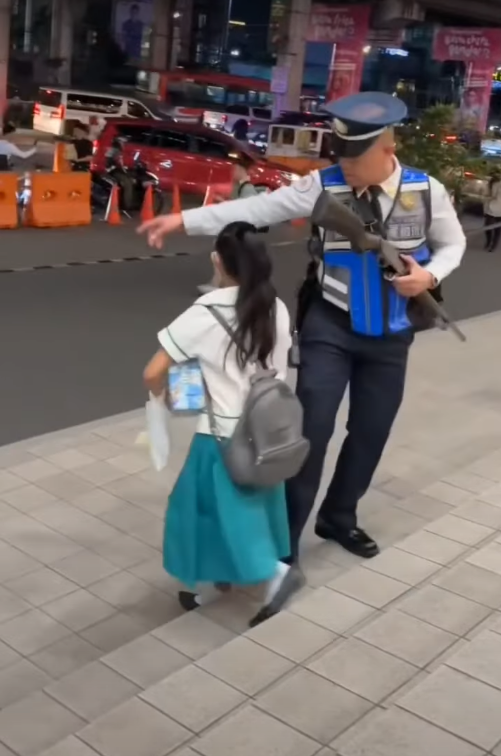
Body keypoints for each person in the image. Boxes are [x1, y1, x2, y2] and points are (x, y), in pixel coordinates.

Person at [139, 91, 466, 574]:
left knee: (371, 431)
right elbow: (253, 211)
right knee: (309, 429)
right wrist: (183, 220)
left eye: (355, 158)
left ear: (387, 151)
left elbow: (453, 243)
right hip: (329, 326)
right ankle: (283, 536)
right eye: (341, 156)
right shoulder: (320, 186)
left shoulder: (426, 191)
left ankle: (339, 517)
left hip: (392, 336)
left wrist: (429, 277)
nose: (346, 167)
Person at [143, 221, 296, 613]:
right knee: (251, 506)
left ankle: (272, 573)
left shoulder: (206, 311)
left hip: (221, 437)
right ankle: (217, 580)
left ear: (218, 261)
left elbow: (153, 371)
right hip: (269, 430)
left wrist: (164, 399)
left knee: (200, 513)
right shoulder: (275, 305)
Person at [198, 155, 260, 295]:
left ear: (241, 170)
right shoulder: (240, 187)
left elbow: (245, 212)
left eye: (235, 169)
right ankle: (218, 284)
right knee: (221, 256)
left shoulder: (247, 189)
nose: (232, 172)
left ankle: (219, 285)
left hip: (240, 232)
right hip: (236, 230)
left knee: (221, 255)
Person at [484, 168, 501, 253]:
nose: (495, 175)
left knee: (497, 229)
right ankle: (488, 242)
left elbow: (495, 196)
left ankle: (493, 246)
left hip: (499, 209)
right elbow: (487, 193)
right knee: (487, 227)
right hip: (490, 208)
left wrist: (488, 197)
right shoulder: (490, 183)